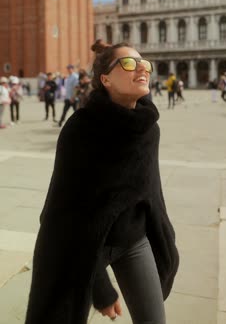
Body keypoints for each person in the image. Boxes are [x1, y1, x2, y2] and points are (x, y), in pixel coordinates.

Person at [25, 40, 179, 324]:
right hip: (82, 246)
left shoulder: (149, 130)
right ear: (105, 79)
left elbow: (152, 194)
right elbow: (61, 213)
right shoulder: (80, 130)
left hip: (133, 240)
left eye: (143, 64)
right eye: (129, 64)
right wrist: (99, 284)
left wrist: (165, 237)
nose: (141, 69)